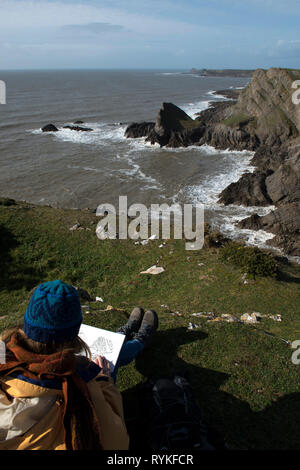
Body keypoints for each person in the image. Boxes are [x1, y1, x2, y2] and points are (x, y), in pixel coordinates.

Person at [0, 280, 158, 450]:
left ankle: (125, 335)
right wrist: (105, 381)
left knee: (108, 358)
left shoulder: (5, 356)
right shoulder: (82, 388)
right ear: (73, 336)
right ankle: (140, 340)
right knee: (108, 363)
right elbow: (117, 443)